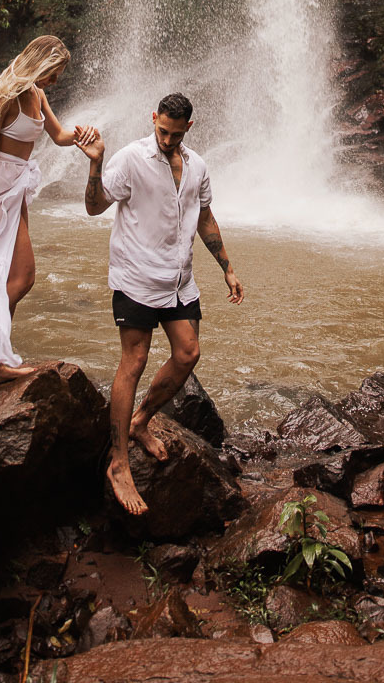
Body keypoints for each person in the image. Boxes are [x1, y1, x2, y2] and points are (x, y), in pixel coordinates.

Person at [78, 92, 244, 515]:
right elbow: (94, 207)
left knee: (188, 353)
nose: (166, 139)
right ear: (153, 119)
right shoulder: (131, 159)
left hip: (178, 280)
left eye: (174, 133)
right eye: (161, 130)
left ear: (189, 127)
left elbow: (204, 216)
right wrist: (96, 162)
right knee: (133, 361)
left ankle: (140, 420)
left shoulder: (198, 166)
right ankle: (118, 464)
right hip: (136, 279)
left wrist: (226, 266)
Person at [0, 34, 94, 389]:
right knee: (10, 279)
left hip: (17, 191)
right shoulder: (6, 93)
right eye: (54, 71)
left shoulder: (38, 95)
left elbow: (59, 136)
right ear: (40, 62)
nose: (55, 80)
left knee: (16, 279)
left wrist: (84, 136)